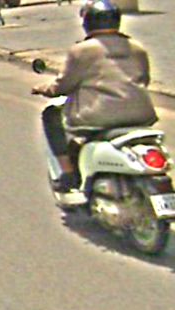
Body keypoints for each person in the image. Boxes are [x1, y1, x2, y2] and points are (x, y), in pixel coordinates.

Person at [32, 0, 157, 192]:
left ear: (87, 22)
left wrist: (42, 88)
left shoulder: (81, 50)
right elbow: (144, 79)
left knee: (51, 115)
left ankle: (68, 174)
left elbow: (62, 86)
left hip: (98, 118)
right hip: (142, 115)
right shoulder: (137, 47)